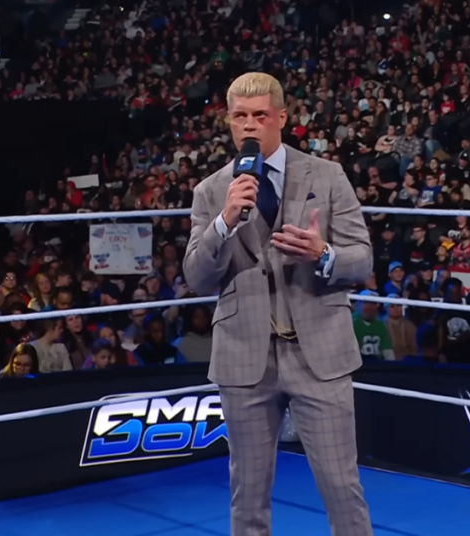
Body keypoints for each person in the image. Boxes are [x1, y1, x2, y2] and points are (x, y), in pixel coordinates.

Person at [183, 72, 373, 536]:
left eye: (260, 116)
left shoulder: (326, 175)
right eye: (240, 117)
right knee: (247, 493)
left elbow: (362, 260)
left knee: (340, 485)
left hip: (319, 355)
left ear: (281, 118)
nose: (250, 126)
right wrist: (225, 223)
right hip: (245, 359)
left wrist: (322, 253)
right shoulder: (211, 192)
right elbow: (197, 277)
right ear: (229, 122)